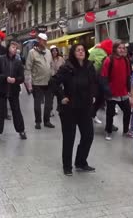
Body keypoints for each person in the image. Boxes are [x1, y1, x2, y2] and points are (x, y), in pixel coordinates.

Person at [51, 43, 97, 176]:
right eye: (78, 50)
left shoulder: (89, 66)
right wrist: (61, 96)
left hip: (85, 108)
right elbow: (54, 82)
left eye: (83, 50)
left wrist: (93, 95)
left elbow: (94, 83)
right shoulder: (67, 67)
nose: (81, 52)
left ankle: (81, 162)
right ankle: (67, 166)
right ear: (73, 53)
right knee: (69, 138)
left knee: (88, 136)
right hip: (69, 109)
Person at [0, 41, 27, 142]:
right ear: (8, 48)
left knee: (16, 111)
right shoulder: (0, 59)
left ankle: (21, 130)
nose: (15, 49)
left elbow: (22, 77)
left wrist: (15, 80)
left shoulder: (18, 62)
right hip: (1, 90)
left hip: (14, 90)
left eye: (16, 48)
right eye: (13, 47)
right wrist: (5, 78)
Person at [101, 41, 133, 140]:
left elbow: (128, 75)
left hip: (123, 92)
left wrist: (129, 89)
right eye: (119, 48)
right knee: (110, 113)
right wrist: (107, 91)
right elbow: (104, 77)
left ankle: (126, 131)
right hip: (112, 92)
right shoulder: (108, 60)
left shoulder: (126, 60)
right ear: (115, 49)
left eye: (123, 48)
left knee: (127, 112)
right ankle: (108, 131)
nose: (122, 50)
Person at [25, 33, 55, 129]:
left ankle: (47, 121)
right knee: (37, 103)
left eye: (46, 40)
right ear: (38, 40)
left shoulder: (48, 52)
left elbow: (51, 65)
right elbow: (28, 68)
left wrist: (53, 75)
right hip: (37, 82)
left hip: (48, 82)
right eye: (43, 40)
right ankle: (38, 121)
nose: (45, 42)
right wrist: (28, 84)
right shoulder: (32, 53)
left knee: (49, 103)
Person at [88, 39, 113, 125]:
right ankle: (91, 115)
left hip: (96, 79)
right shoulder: (104, 54)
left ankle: (92, 114)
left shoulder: (96, 51)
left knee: (99, 99)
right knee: (99, 99)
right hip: (98, 79)